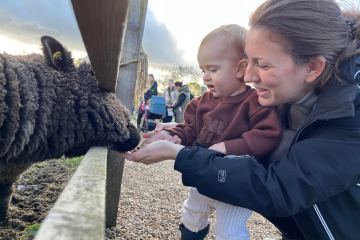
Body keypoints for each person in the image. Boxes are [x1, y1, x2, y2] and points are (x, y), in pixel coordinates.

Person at [125, 0, 360, 239]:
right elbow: (231, 127)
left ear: (312, 67)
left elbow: (279, 189)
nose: (247, 76)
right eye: (249, 61)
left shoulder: (352, 117)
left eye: (263, 64)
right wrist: (177, 132)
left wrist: (179, 153)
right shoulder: (292, 93)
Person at [141, 24, 282, 240]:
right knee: (192, 213)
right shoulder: (200, 104)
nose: (206, 77)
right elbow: (190, 129)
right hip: (204, 173)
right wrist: (174, 136)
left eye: (213, 70)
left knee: (229, 231)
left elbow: (268, 134)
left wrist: (227, 147)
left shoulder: (254, 103)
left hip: (236, 184)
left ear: (240, 68)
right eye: (203, 70)